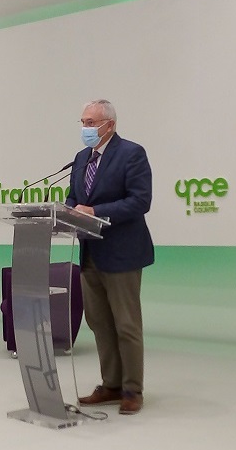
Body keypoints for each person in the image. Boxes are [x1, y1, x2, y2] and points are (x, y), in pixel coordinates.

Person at [66, 99, 154, 415]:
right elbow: (74, 198)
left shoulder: (132, 153)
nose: (85, 128)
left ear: (110, 125)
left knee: (126, 324)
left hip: (122, 253)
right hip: (90, 252)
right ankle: (111, 384)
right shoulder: (81, 158)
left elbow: (140, 201)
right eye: (83, 122)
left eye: (91, 123)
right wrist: (69, 210)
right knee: (99, 322)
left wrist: (95, 211)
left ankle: (132, 390)